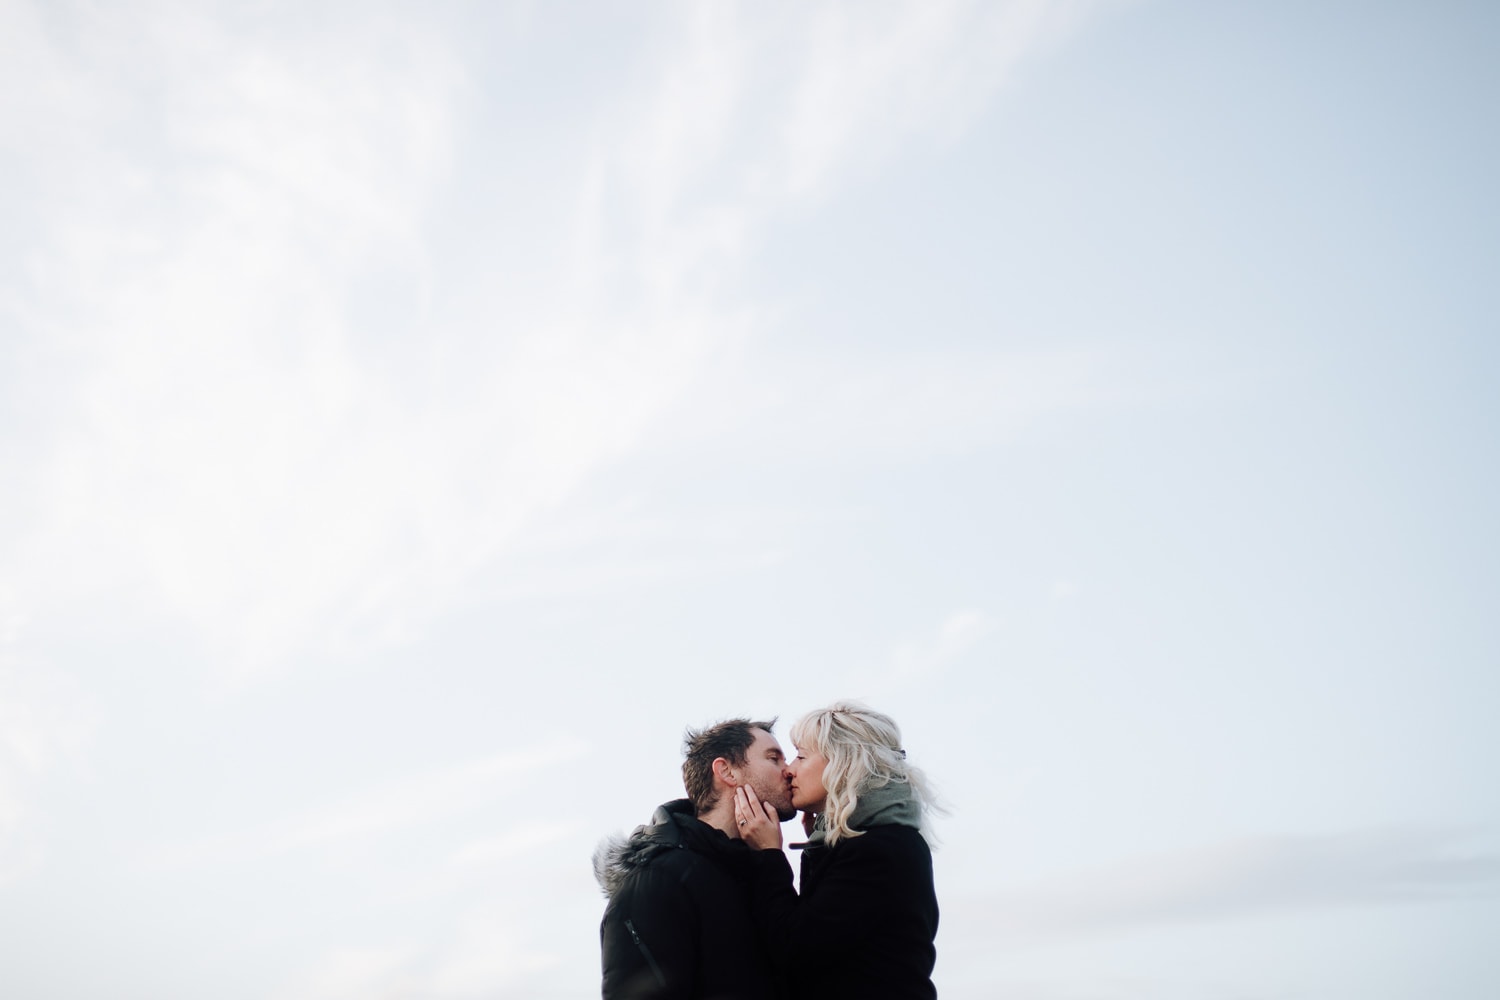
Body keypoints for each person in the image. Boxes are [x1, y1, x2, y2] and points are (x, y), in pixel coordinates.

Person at [735, 701, 940, 1000]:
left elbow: (794, 949)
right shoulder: (880, 841)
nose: (789, 770)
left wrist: (769, 854)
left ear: (843, 762)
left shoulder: (878, 850)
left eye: (801, 756)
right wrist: (823, 845)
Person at [594, 717, 796, 999]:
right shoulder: (657, 881)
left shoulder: (761, 876)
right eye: (774, 758)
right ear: (726, 771)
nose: (789, 771)